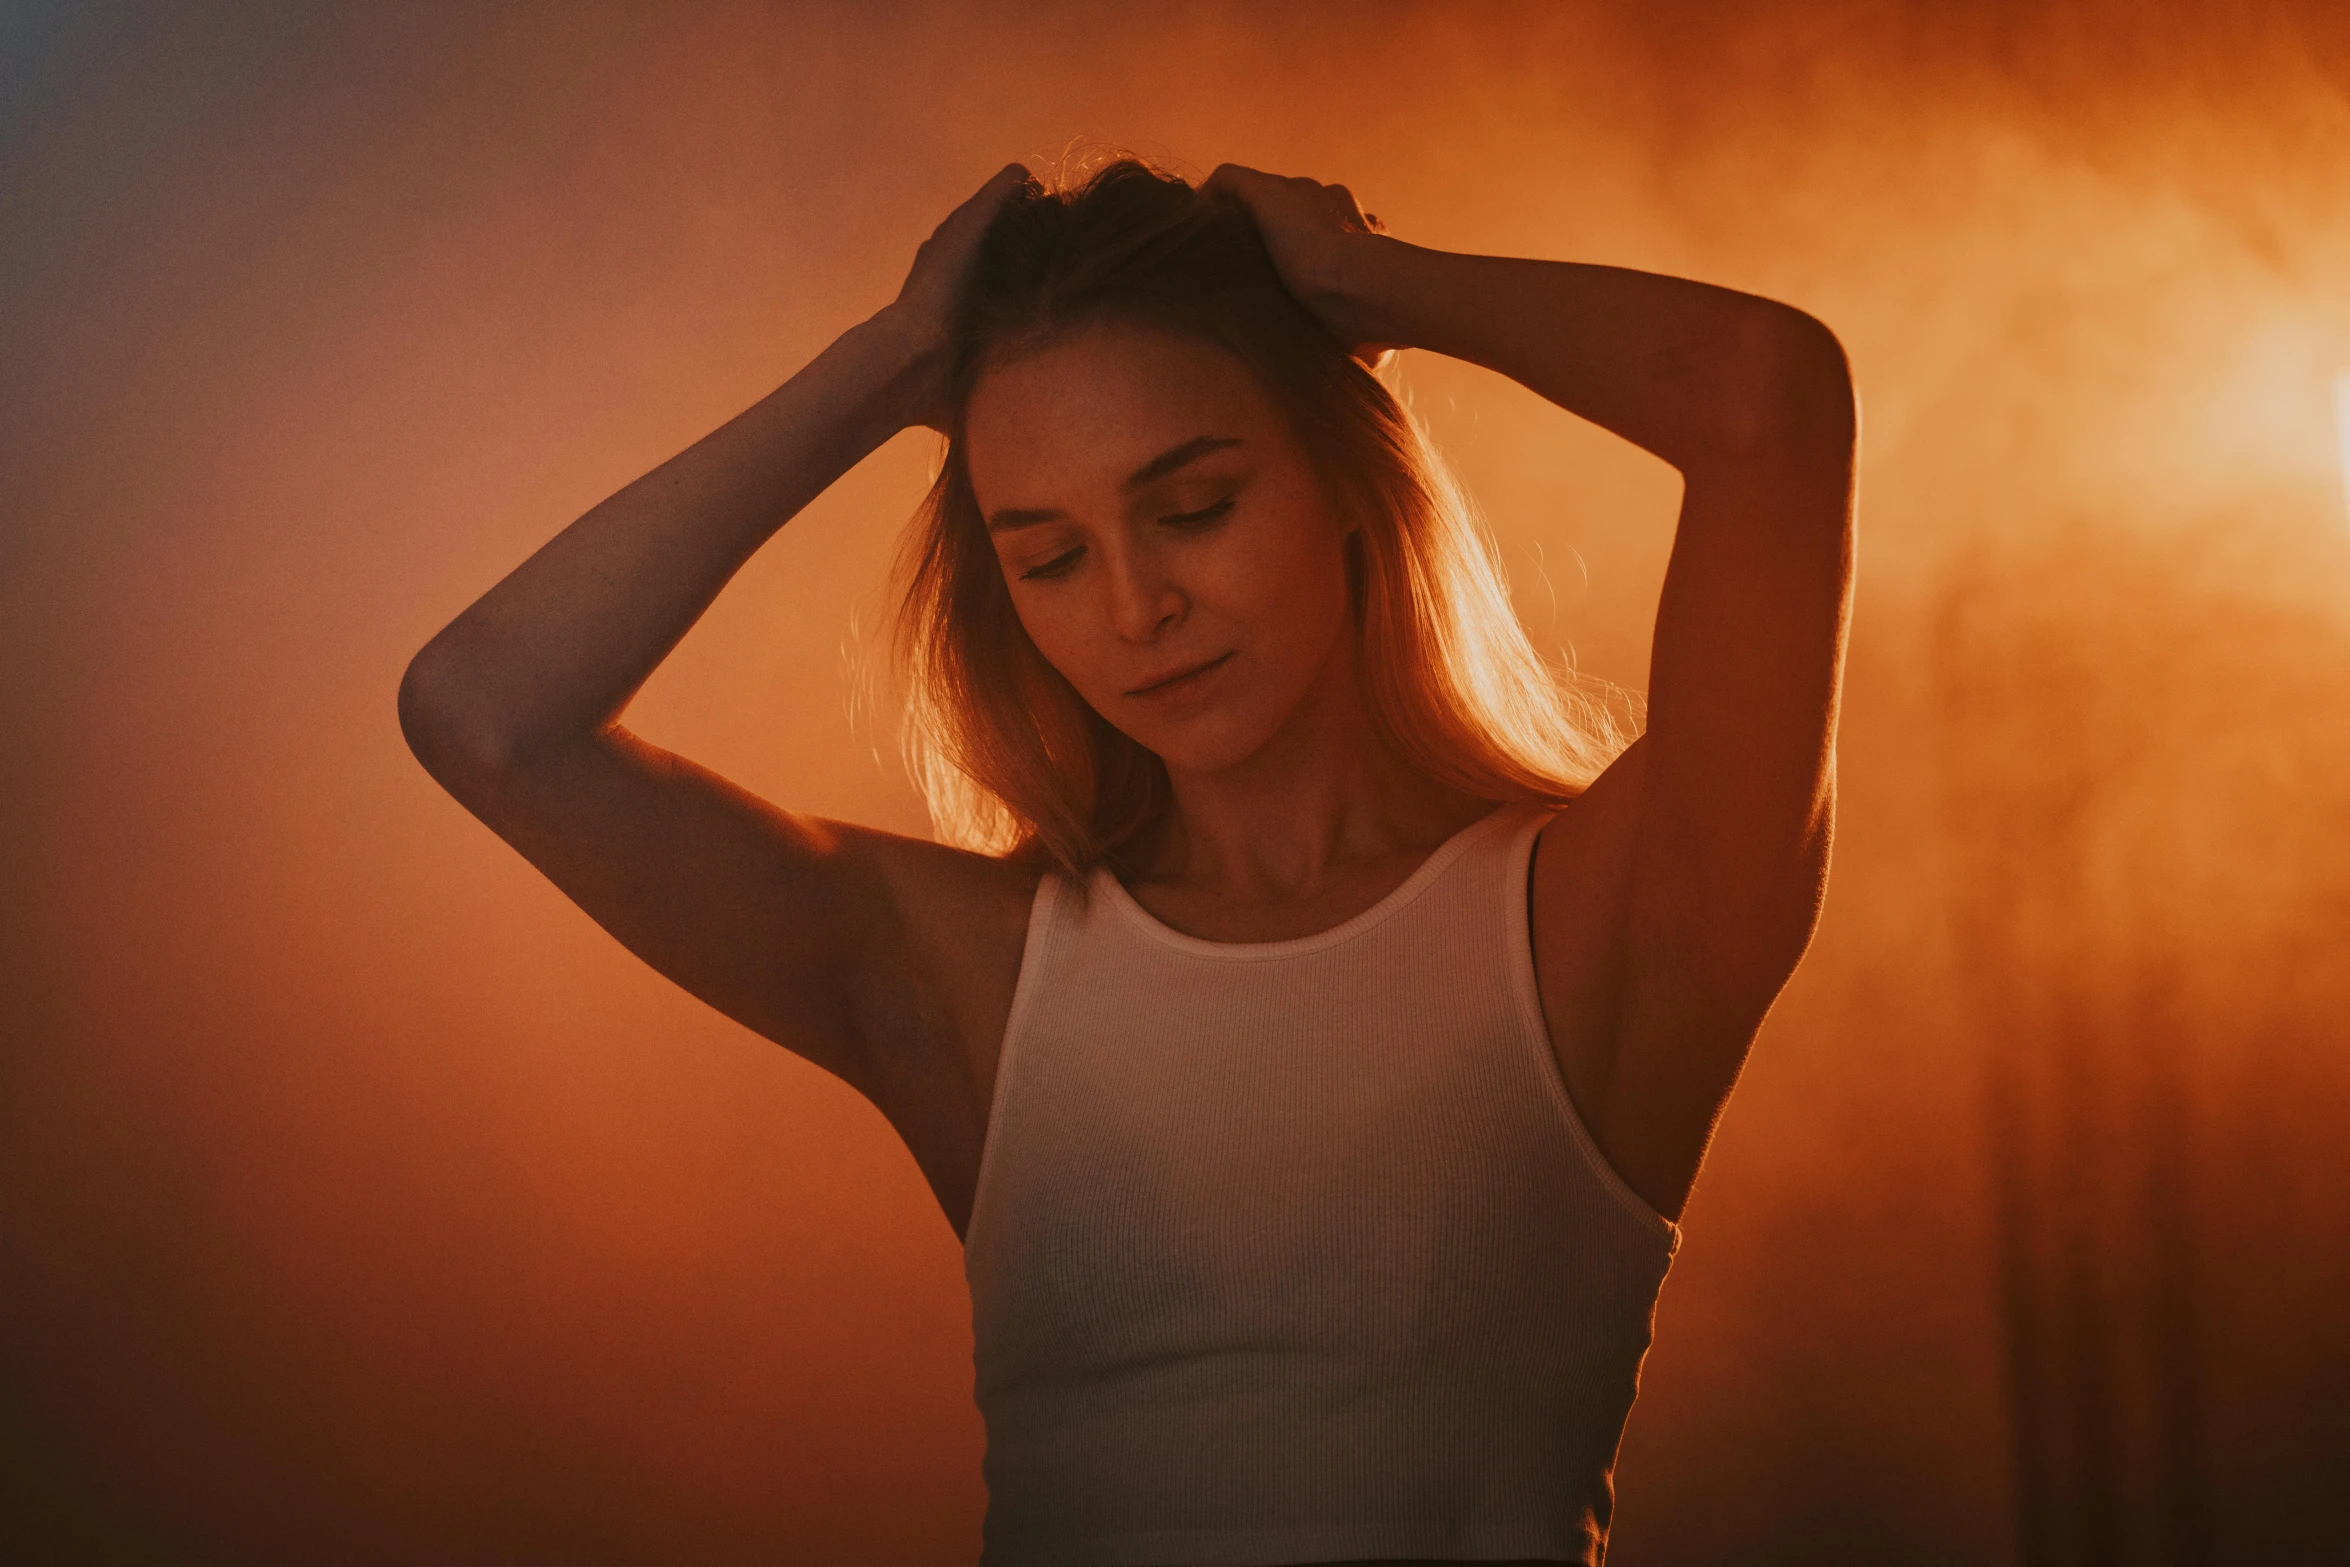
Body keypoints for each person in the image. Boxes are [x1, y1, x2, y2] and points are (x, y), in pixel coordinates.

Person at [399, 155, 1855, 1567]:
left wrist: (1362, 284)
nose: (1137, 604)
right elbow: (485, 715)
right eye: (1047, 555)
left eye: (1194, 505)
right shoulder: (980, 971)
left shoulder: (1603, 917)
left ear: (1347, 481)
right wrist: (893, 359)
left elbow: (1766, 402)